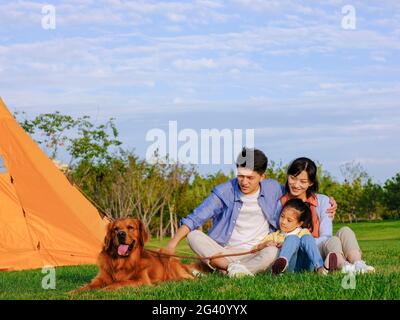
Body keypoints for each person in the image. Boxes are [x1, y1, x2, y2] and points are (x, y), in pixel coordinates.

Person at [164, 148, 336, 278]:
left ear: (262, 176)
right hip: (225, 252)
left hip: (257, 252)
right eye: (240, 176)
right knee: (194, 236)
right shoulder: (225, 191)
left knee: (271, 253)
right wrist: (171, 245)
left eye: (250, 177)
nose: (244, 182)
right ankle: (230, 268)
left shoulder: (273, 188)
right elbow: (195, 218)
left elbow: (298, 191)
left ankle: (226, 270)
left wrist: (326, 200)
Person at [277, 157, 375, 274]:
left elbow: (326, 235)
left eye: (303, 181)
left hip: (320, 245)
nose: (296, 185)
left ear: (311, 183)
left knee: (345, 231)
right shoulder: (282, 202)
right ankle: (345, 265)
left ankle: (358, 264)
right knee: (332, 240)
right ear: (288, 176)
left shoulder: (323, 201)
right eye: (293, 178)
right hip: (303, 252)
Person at [256, 198, 327, 275]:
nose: (283, 222)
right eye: (282, 216)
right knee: (292, 238)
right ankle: (280, 267)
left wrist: (287, 245)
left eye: (289, 220)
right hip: (290, 268)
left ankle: (319, 267)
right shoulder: (275, 235)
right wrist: (265, 244)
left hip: (305, 266)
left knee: (300, 238)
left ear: (299, 223)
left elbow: (310, 247)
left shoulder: (304, 232)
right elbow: (257, 248)